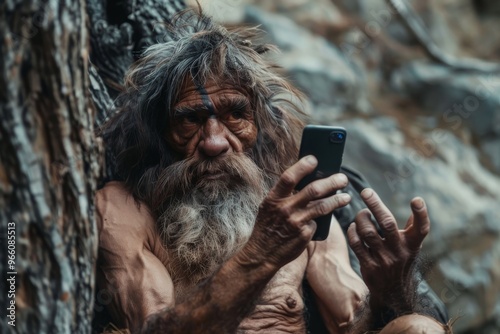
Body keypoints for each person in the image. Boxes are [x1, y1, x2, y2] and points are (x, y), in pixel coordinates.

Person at [95, 10, 451, 334]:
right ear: (159, 132)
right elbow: (151, 329)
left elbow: (351, 324)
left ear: (260, 124)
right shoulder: (124, 211)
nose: (215, 142)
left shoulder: (296, 207)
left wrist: (393, 291)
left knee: (418, 328)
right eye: (190, 119)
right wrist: (260, 254)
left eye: (235, 114)